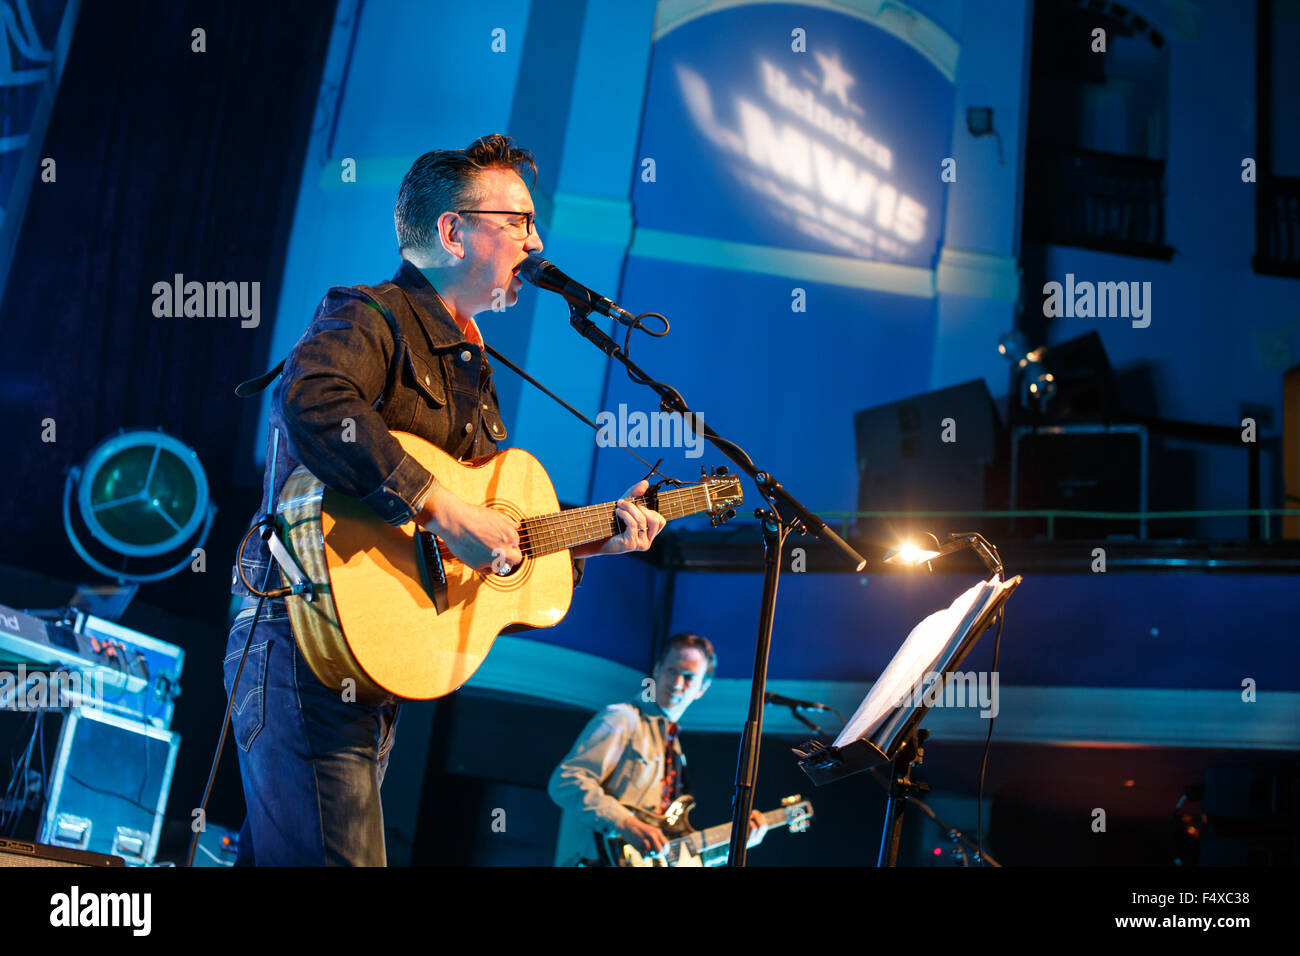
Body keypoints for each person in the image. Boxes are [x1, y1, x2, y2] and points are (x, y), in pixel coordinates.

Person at [225, 134, 666, 866]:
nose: (538, 239)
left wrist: (594, 540)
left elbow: (484, 557)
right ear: (452, 230)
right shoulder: (371, 314)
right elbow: (312, 400)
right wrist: (441, 505)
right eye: (518, 220)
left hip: (373, 665)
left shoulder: (475, 370)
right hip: (302, 641)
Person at [547, 632, 768, 866]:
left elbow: (676, 852)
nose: (676, 683)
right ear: (657, 670)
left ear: (702, 689)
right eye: (671, 670)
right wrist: (625, 822)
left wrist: (735, 844)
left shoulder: (675, 750)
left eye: (688, 677)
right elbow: (566, 781)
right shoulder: (622, 718)